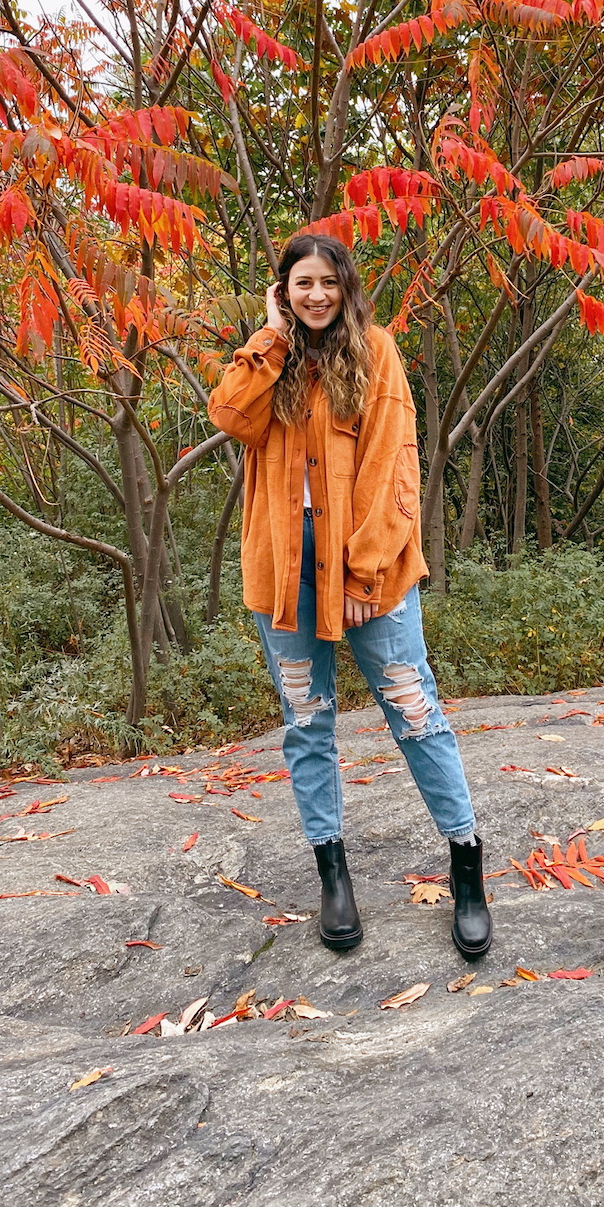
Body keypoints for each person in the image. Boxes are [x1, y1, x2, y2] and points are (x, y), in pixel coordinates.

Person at [208, 232, 492, 960]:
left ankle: (466, 868)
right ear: (282, 290)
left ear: (345, 287)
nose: (315, 296)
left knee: (413, 710)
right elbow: (231, 417)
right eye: (300, 284)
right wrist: (269, 338)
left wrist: (366, 569)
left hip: (371, 567)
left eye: (327, 283)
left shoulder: (375, 349)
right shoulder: (269, 356)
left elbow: (394, 463)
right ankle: (332, 874)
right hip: (284, 568)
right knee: (307, 722)